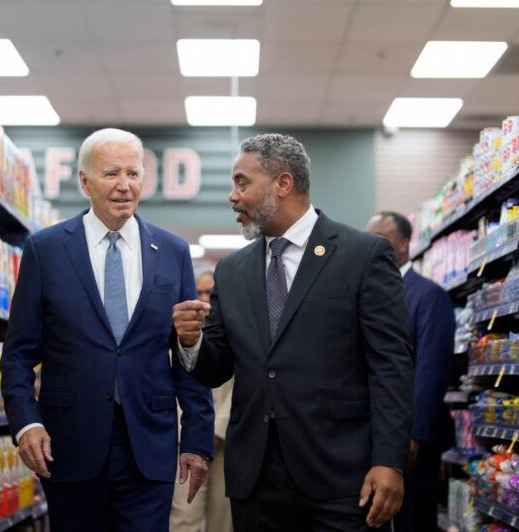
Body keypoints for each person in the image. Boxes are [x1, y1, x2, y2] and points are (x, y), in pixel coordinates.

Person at [172, 133, 414, 531]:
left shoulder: (362, 255)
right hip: (257, 480)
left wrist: (389, 460)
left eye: (242, 182)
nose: (233, 196)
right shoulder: (232, 271)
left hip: (341, 478)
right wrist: (191, 341)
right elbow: (216, 368)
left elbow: (391, 366)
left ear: (283, 184)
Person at [0, 128, 215, 531]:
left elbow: (187, 354)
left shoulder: (171, 252)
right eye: (111, 173)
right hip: (69, 444)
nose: (124, 186)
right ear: (84, 181)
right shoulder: (45, 250)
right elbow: (18, 356)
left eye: (133, 174)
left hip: (149, 444)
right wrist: (26, 423)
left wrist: (197, 440)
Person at [366, 211, 456, 532]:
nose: (371, 244)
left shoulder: (428, 295)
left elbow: (431, 369)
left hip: (414, 438)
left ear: (404, 244)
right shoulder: (369, 291)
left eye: (382, 237)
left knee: (412, 516)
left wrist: (414, 432)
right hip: (377, 432)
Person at [171, 271, 234, 532]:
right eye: (198, 293)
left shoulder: (233, 330)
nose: (203, 299)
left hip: (226, 441)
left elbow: (243, 385)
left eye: (209, 293)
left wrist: (217, 430)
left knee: (223, 516)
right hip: (186, 440)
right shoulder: (175, 333)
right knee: (184, 515)